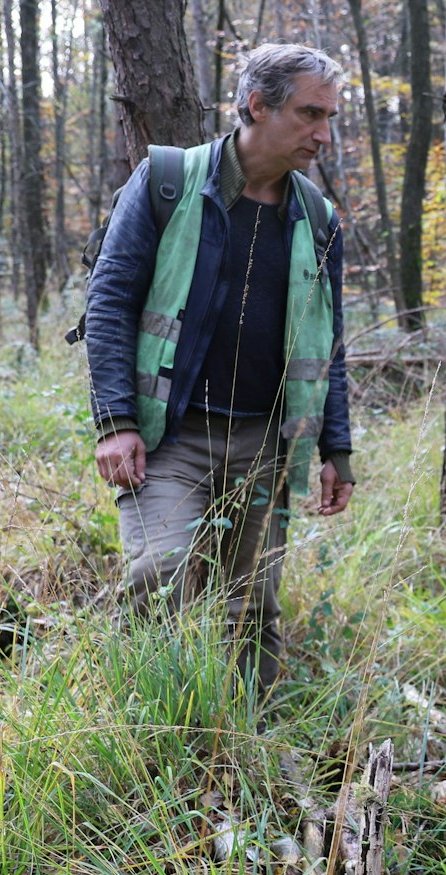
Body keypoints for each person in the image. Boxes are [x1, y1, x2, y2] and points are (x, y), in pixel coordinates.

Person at [84, 43, 355, 692]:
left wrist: (336, 450)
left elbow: (330, 343)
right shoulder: (168, 181)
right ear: (258, 105)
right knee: (158, 574)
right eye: (310, 114)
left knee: (252, 605)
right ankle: (146, 728)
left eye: (329, 118)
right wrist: (115, 421)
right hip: (169, 437)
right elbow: (109, 302)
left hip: (265, 442)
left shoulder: (317, 219)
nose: (323, 134)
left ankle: (247, 732)